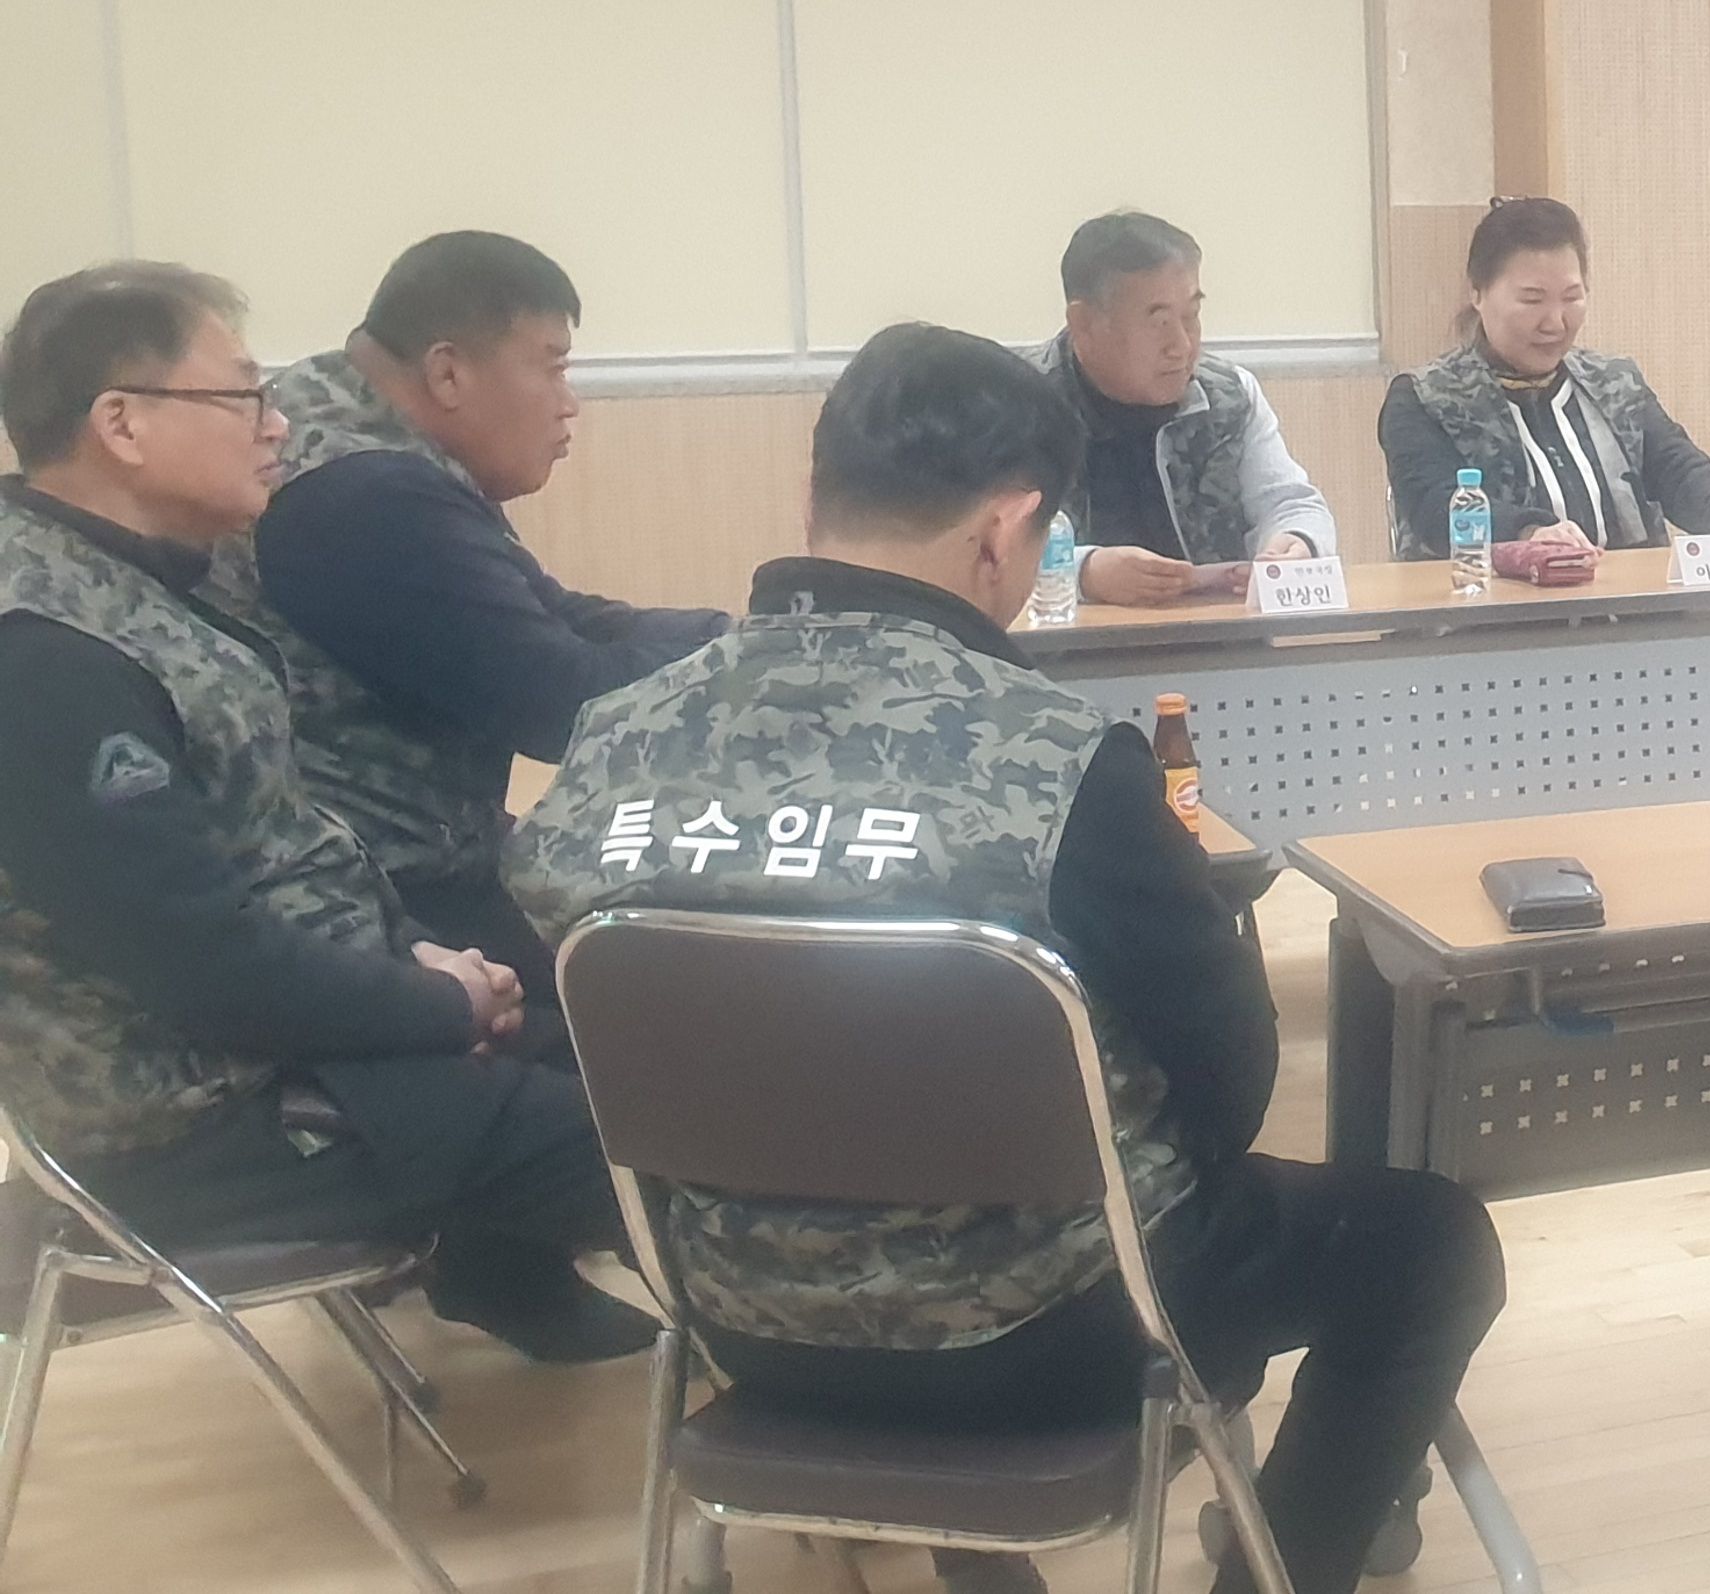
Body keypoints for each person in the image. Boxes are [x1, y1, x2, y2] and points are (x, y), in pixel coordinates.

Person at [508, 324, 1503, 1594]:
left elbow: (571, 1010)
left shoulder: (612, 741)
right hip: (1057, 1336)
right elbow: (1230, 1078)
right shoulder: (1062, 764)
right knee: (1428, 1242)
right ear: (1006, 530)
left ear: (813, 496)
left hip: (737, 1324)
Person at [0, 262, 643, 1366]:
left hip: (287, 1060)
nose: (277, 424)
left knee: (652, 1063)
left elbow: (279, 853)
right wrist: (433, 1002)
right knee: (683, 1148)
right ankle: (824, 1416)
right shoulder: (49, 658)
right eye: (241, 395)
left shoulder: (133, 584)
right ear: (122, 424)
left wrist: (422, 956)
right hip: (206, 1125)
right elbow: (204, 965)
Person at [217, 231, 727, 1036]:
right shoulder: (365, 495)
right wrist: (747, 665)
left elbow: (551, 613)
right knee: (684, 1016)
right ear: (448, 372)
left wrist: (736, 635)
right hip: (378, 904)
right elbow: (563, 705)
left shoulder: (341, 414)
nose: (568, 402)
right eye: (551, 367)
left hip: (409, 868)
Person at [1381, 198, 1710, 560]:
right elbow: (1436, 507)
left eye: (1572, 297)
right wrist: (1529, 533)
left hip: (1629, 609)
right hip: (1492, 612)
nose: (1555, 322)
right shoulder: (1424, 398)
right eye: (1532, 300)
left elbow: (1675, 466)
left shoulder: (1615, 382)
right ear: (1478, 293)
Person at [1021, 210, 1339, 607]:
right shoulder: (1018, 404)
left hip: (1220, 637)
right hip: (1070, 643)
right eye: (1159, 323)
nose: (1182, 346)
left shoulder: (1227, 395)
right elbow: (979, 550)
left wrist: (1295, 542)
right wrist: (1084, 571)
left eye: (1191, 316)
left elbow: (1291, 503)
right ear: (1084, 323)